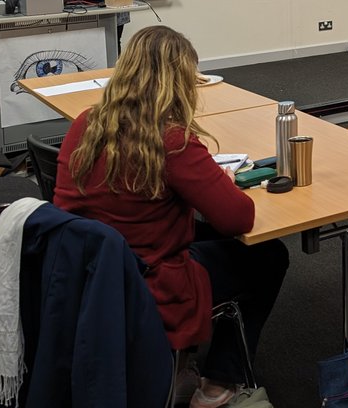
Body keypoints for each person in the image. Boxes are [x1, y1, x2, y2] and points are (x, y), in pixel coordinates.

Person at [54, 26, 288, 408]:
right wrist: (217, 183)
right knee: (269, 255)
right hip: (147, 279)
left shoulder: (86, 124)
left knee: (205, 236)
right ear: (178, 83)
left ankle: (178, 370)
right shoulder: (169, 140)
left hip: (85, 271)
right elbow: (238, 218)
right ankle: (218, 384)